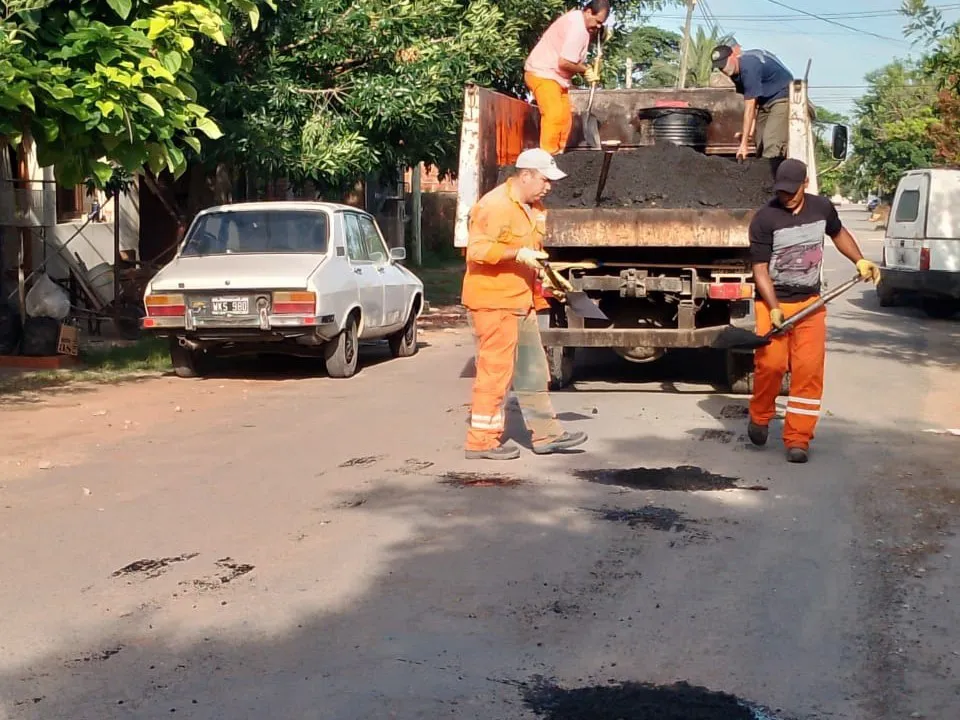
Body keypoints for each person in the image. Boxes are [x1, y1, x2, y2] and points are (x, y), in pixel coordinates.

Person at [747, 159, 880, 464]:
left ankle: (798, 438)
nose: (786, 197)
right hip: (773, 303)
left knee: (808, 371)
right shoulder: (765, 219)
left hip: (810, 303)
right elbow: (759, 269)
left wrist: (859, 260)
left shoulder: (821, 208)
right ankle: (760, 414)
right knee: (771, 366)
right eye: (781, 192)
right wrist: (775, 308)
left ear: (805, 184)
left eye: (791, 192)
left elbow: (839, 233)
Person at [462, 148, 588, 460]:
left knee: (533, 371)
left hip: (520, 302)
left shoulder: (532, 208)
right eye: (546, 180)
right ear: (526, 175)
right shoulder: (494, 206)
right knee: (495, 374)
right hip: (494, 304)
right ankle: (481, 441)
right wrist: (516, 254)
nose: (550, 186)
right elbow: (477, 250)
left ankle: (546, 435)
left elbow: (531, 253)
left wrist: (546, 282)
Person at [524, 0, 610, 155]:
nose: (598, 26)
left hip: (557, 79)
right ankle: (546, 157)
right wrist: (585, 70)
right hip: (542, 73)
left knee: (565, 120)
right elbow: (564, 63)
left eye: (601, 24)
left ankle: (558, 156)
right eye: (597, 22)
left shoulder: (582, 23)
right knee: (554, 115)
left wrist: (600, 36)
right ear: (588, 11)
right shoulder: (577, 28)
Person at [711, 44, 793, 160]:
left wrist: (743, 145)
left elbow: (749, 107)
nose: (723, 69)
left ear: (733, 56)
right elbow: (754, 103)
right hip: (765, 101)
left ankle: (771, 175)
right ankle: (761, 172)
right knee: (759, 142)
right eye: (720, 67)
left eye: (725, 64)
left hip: (782, 96)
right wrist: (749, 133)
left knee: (771, 141)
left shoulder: (749, 67)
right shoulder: (734, 75)